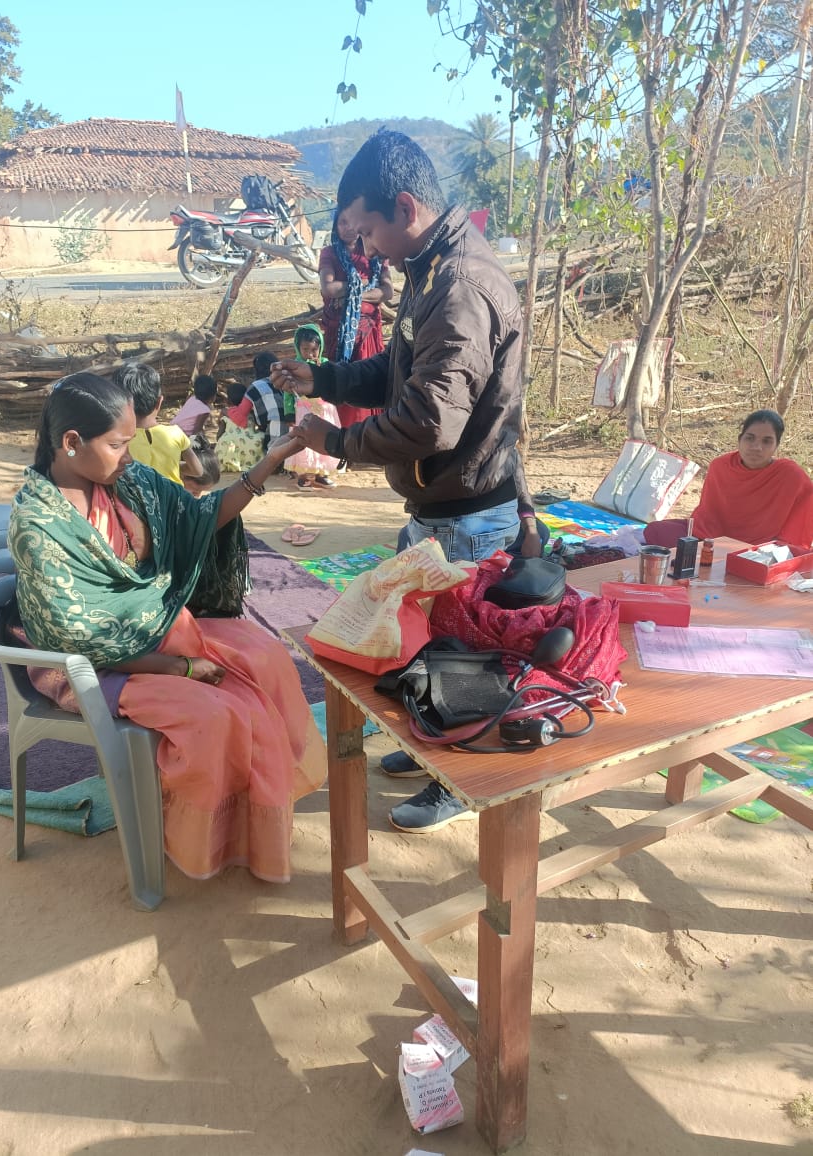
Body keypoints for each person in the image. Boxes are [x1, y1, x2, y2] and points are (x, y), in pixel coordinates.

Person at [272, 130, 545, 833]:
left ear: (402, 206)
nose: (366, 250)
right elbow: (399, 376)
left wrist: (336, 443)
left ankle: (462, 772)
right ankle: (435, 742)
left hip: (468, 513)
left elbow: (429, 422)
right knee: (427, 644)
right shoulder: (429, 269)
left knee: (466, 653)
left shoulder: (460, 286)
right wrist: (325, 378)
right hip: (439, 506)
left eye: (366, 231)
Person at [8, 373, 326, 883]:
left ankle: (254, 820)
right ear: (71, 442)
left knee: (266, 659)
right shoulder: (37, 526)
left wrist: (270, 461)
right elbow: (78, 636)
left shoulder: (128, 483)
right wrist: (181, 668)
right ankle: (203, 840)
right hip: (88, 666)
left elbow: (200, 519)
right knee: (217, 715)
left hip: (157, 628)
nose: (128, 456)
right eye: (117, 444)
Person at [643, 409, 813, 549]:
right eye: (750, 438)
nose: (756, 447)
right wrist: (711, 540)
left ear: (776, 446)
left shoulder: (790, 474)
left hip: (759, 547)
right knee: (655, 530)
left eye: (767, 441)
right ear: (740, 440)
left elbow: (805, 511)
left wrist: (780, 546)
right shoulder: (720, 466)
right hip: (710, 538)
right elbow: (707, 515)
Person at [319, 213, 393, 427]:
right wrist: (366, 286)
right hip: (339, 334)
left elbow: (387, 291)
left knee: (368, 376)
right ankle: (344, 433)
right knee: (341, 380)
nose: (348, 228)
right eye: (342, 222)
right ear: (335, 226)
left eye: (351, 222)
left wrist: (352, 294)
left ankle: (370, 432)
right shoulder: (329, 253)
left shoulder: (374, 252)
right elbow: (328, 288)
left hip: (369, 331)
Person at [114, 362, 204, 488]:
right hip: (173, 499)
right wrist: (171, 465)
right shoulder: (176, 433)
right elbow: (197, 470)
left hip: (137, 499)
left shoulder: (118, 441)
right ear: (159, 402)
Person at [283, 324, 342, 490]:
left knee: (325, 438)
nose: (310, 354)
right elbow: (288, 392)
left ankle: (322, 474)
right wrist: (289, 412)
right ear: (298, 347)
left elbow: (333, 384)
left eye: (314, 349)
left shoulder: (326, 365)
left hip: (325, 410)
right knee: (306, 440)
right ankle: (305, 476)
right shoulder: (294, 367)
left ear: (320, 347)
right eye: (305, 349)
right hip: (304, 411)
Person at [216, 379, 265, 475]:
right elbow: (259, 426)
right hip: (251, 445)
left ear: (228, 400)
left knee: (224, 440)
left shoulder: (225, 413)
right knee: (260, 437)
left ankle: (231, 463)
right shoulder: (251, 412)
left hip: (232, 446)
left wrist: (221, 440)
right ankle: (251, 463)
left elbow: (219, 435)